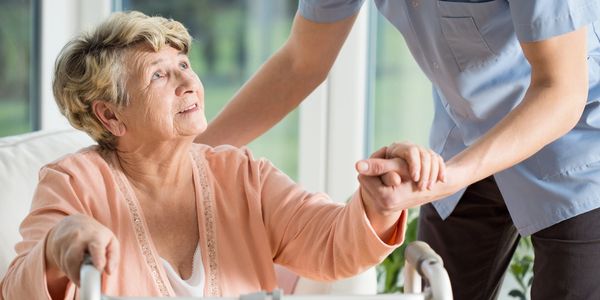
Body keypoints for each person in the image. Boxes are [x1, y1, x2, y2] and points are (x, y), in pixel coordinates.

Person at [0, 11, 446, 299]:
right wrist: (57, 249)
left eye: (184, 66)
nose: (187, 82)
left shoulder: (239, 173)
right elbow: (18, 290)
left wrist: (378, 204)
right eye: (159, 75)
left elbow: (330, 243)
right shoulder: (73, 184)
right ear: (111, 116)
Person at [195, 1, 600, 299]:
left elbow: (560, 90)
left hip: (577, 146)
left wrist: (446, 179)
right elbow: (302, 61)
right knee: (436, 283)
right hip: (465, 131)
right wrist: (186, 158)